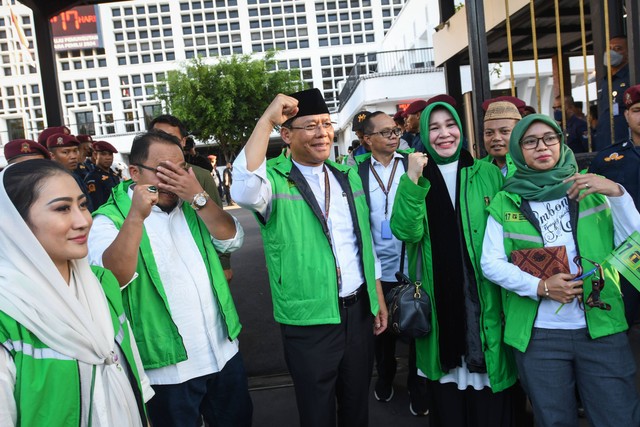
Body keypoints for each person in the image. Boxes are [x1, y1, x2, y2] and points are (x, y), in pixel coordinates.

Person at [232, 88, 387, 427]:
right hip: (309, 320)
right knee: (316, 412)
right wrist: (266, 119)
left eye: (326, 124)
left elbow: (361, 242)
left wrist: (375, 296)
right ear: (286, 135)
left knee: (356, 405)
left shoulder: (345, 175)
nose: (322, 133)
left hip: (358, 310)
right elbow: (241, 188)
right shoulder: (272, 180)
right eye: (310, 126)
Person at [481, 113, 640, 427]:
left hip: (601, 327)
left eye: (549, 138)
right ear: (518, 149)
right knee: (553, 420)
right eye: (530, 141)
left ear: (561, 142)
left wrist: (617, 193)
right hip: (539, 336)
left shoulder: (593, 187)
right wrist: (540, 287)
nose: (542, 147)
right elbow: (491, 263)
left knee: (618, 417)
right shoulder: (505, 200)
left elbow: (633, 241)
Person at [88, 130, 252, 427]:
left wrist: (199, 199)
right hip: (166, 370)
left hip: (223, 353)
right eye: (164, 170)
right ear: (134, 172)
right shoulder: (108, 218)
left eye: (180, 169)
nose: (174, 179)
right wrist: (136, 217)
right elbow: (112, 279)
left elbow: (232, 240)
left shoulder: (192, 206)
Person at [390, 101, 518, 427]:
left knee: (491, 405)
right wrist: (412, 180)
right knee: (448, 407)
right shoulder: (414, 178)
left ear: (462, 129)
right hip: (441, 304)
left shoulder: (487, 173)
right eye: (434, 128)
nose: (444, 134)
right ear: (423, 134)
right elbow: (406, 231)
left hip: (485, 302)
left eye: (450, 125)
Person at [0, 160, 153, 426]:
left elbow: (134, 380)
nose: (83, 220)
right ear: (14, 223)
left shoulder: (102, 283)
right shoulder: (7, 314)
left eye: (83, 205)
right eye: (62, 208)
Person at [355, 112, 428, 416]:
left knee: (417, 328)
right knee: (381, 333)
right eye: (385, 132)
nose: (393, 136)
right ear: (366, 139)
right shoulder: (355, 172)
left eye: (396, 130)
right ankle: (385, 377)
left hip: (412, 265)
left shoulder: (414, 163)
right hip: (376, 271)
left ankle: (417, 385)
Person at [149, 114, 232, 281]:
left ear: (183, 141)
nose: (165, 142)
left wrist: (224, 264)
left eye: (171, 138)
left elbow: (219, 222)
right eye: (158, 136)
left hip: (199, 263)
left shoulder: (201, 176)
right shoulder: (141, 177)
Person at [589, 84, 640, 327]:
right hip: (627, 255)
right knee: (625, 320)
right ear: (627, 115)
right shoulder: (608, 159)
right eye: (637, 110)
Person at [595, 35, 631, 150]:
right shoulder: (604, 81)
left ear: (628, 53)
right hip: (604, 140)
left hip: (625, 140)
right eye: (609, 48)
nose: (611, 52)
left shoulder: (631, 78)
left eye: (617, 48)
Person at [47, 133, 94, 212]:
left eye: (75, 151)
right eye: (65, 152)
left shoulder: (75, 176)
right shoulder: (50, 181)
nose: (73, 156)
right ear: (52, 155)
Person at [482, 100, 520, 177]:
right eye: (489, 133)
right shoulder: (476, 170)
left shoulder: (531, 167)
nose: (496, 138)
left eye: (504, 131)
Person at [85, 141, 121, 209]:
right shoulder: (93, 178)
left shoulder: (114, 175)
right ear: (95, 155)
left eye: (110, 154)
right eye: (104, 154)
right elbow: (96, 205)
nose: (108, 158)